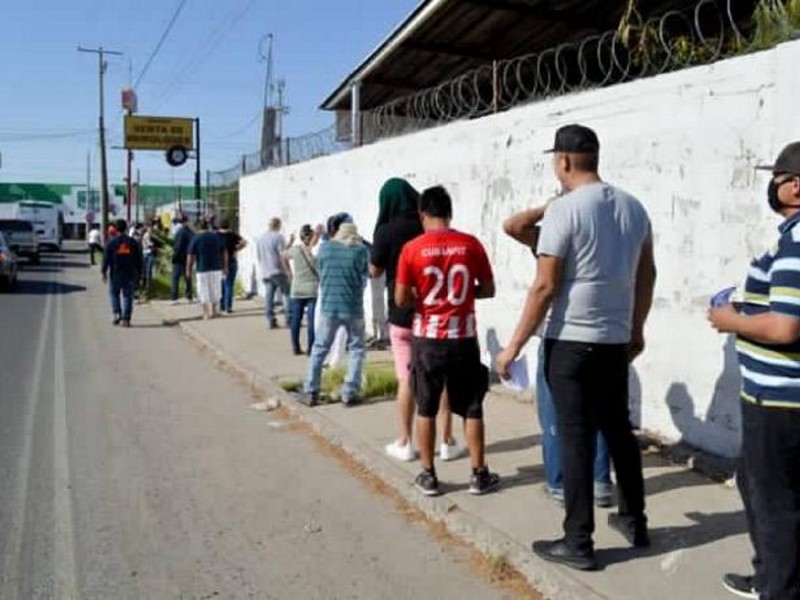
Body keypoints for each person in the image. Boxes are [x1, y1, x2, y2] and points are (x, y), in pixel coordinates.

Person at [495, 124, 656, 571]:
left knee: (576, 437)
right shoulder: (634, 208)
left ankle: (578, 541)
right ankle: (634, 520)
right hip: (614, 340)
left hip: (570, 341)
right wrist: (637, 328)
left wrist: (512, 347)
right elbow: (647, 275)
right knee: (619, 432)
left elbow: (545, 286)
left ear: (563, 160)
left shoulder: (565, 211)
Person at [709, 142, 800, 600]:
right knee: (761, 487)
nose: (772, 185)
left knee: (774, 503)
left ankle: (778, 589)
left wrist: (730, 320)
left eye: (778, 177)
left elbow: (786, 327)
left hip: (780, 400)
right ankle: (771, 576)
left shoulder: (796, 243)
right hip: (783, 399)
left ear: (796, 188)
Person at [503, 206, 613, 507]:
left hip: (561, 335)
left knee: (555, 413)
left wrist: (549, 208)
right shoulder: (606, 237)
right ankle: (600, 481)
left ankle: (560, 483)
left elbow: (513, 226)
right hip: (602, 334)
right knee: (597, 412)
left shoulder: (552, 238)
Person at [395, 185, 499, 497]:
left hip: (428, 338)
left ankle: (428, 475)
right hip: (463, 336)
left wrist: (422, 294)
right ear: (449, 213)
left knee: (426, 407)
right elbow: (489, 288)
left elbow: (401, 298)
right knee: (471, 406)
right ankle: (478, 474)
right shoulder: (470, 244)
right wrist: (465, 294)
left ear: (422, 215)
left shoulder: (412, 249)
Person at [371, 177, 465, 463]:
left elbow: (374, 271)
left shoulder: (385, 231)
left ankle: (406, 441)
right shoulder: (425, 226)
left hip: (400, 316)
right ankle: (447, 440)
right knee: (443, 379)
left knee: (406, 379)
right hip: (433, 312)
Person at [300, 221, 369, 407]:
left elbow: (318, 266)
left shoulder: (325, 248)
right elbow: (366, 273)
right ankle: (349, 392)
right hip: (353, 307)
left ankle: (311, 390)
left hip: (330, 306)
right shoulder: (360, 250)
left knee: (320, 348)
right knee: (356, 349)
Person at [283, 224, 319, 355]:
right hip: (313, 289)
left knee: (296, 320)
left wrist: (289, 272)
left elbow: (282, 255)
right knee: (311, 321)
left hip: (297, 288)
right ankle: (311, 347)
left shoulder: (295, 250)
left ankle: (295, 347)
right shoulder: (315, 252)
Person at [101, 218, 142, 327]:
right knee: (128, 295)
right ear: (126, 228)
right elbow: (138, 259)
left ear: (115, 229)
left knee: (114, 294)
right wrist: (140, 273)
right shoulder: (132, 242)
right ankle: (126, 319)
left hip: (115, 272)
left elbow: (106, 258)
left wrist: (103, 272)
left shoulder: (111, 242)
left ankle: (117, 313)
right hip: (129, 273)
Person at [187, 218, 228, 320]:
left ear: (198, 227)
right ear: (208, 226)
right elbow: (224, 252)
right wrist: (225, 266)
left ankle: (206, 312)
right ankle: (213, 310)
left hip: (202, 268)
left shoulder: (196, 238)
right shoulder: (216, 237)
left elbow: (190, 256)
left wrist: (188, 269)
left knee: (203, 290)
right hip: (216, 267)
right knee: (215, 289)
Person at [256, 217, 291, 329]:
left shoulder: (261, 239)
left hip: (266, 270)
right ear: (278, 225)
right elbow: (283, 254)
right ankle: (289, 318)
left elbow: (259, 256)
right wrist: (288, 270)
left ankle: (270, 319)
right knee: (287, 294)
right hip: (278, 269)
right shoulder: (278, 237)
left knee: (269, 296)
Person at [218, 219, 247, 313]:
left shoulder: (216, 235)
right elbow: (244, 242)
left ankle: (221, 305)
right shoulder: (232, 235)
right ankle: (228, 306)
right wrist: (236, 249)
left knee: (221, 284)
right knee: (229, 284)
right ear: (228, 225)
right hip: (231, 261)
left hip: (219, 263)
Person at [171, 215, 194, 304]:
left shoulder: (179, 232)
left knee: (175, 278)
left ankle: (174, 297)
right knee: (188, 277)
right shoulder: (190, 232)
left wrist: (174, 257)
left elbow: (177, 246)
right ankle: (189, 296)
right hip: (188, 257)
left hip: (178, 259)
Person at [141, 220, 161, 298]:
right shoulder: (147, 235)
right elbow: (150, 245)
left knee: (150, 272)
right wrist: (156, 245)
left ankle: (149, 289)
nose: (155, 228)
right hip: (148, 254)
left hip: (150, 254)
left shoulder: (152, 234)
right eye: (154, 226)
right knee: (148, 272)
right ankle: (147, 290)